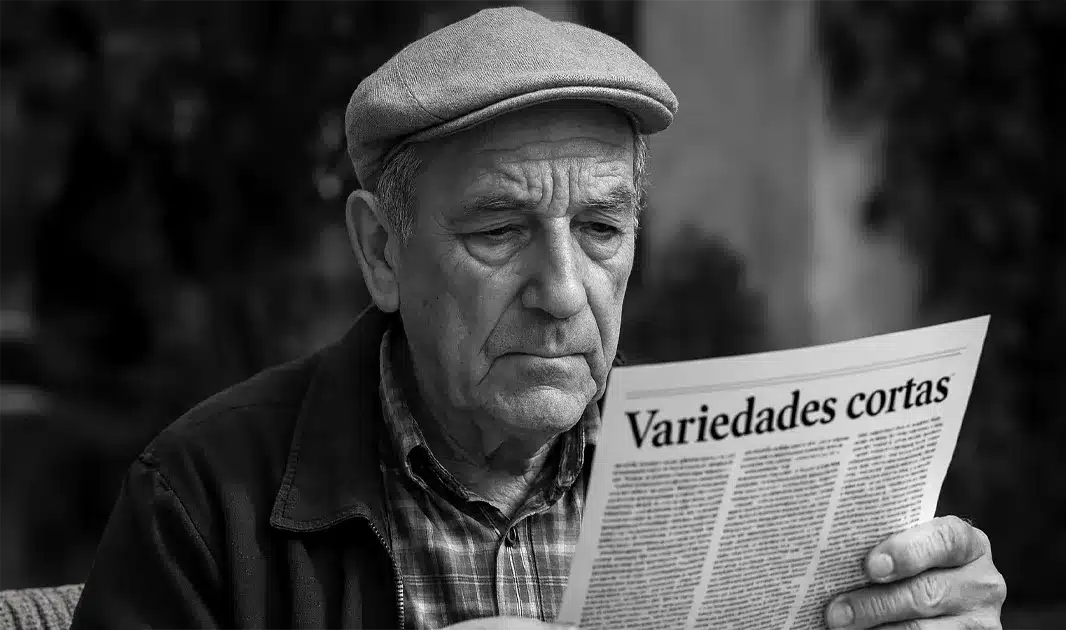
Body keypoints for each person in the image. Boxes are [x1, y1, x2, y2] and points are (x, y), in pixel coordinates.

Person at [70, 7, 1005, 630]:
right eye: (498, 230)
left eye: (601, 229)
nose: (562, 289)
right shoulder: (203, 500)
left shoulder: (739, 472)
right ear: (382, 252)